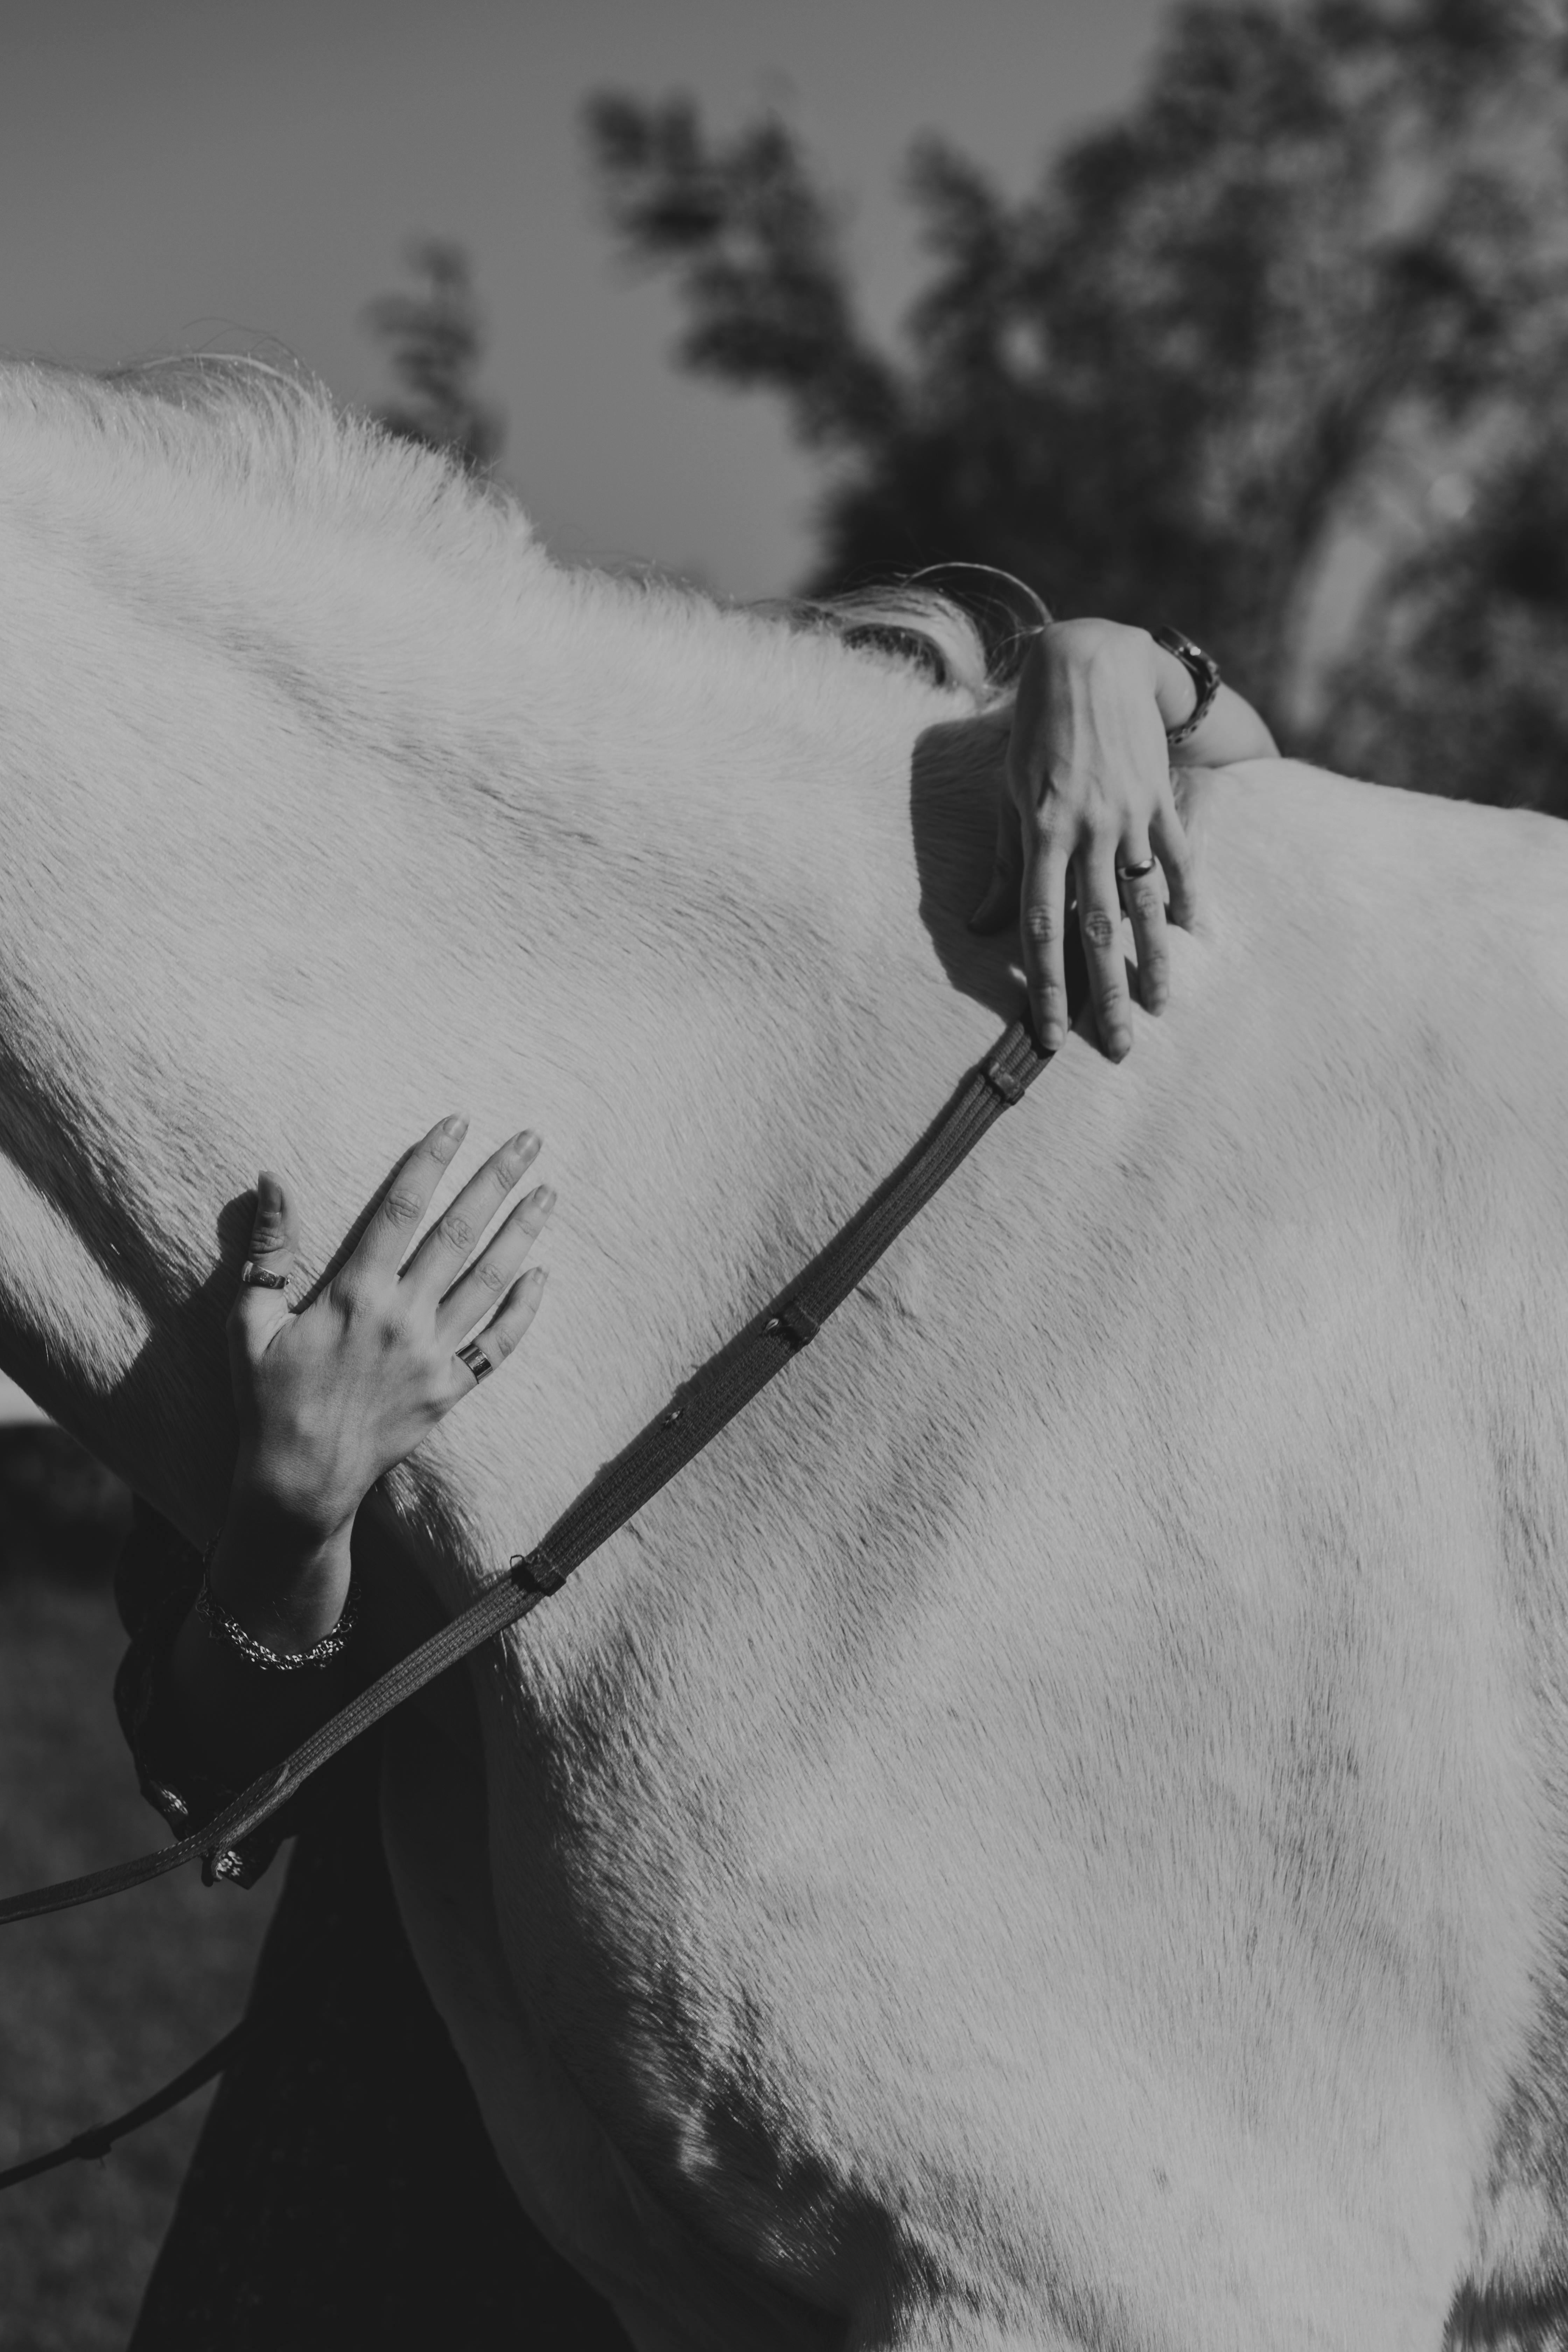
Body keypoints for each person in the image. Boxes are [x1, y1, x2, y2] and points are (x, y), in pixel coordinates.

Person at [117, 616, 1280, 2345]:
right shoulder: (408, 1180)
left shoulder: (1022, 1258)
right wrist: (295, 1511)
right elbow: (208, 1777)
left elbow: (1311, 911)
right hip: (420, 2108)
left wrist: (1127, 666)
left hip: (872, 2126)